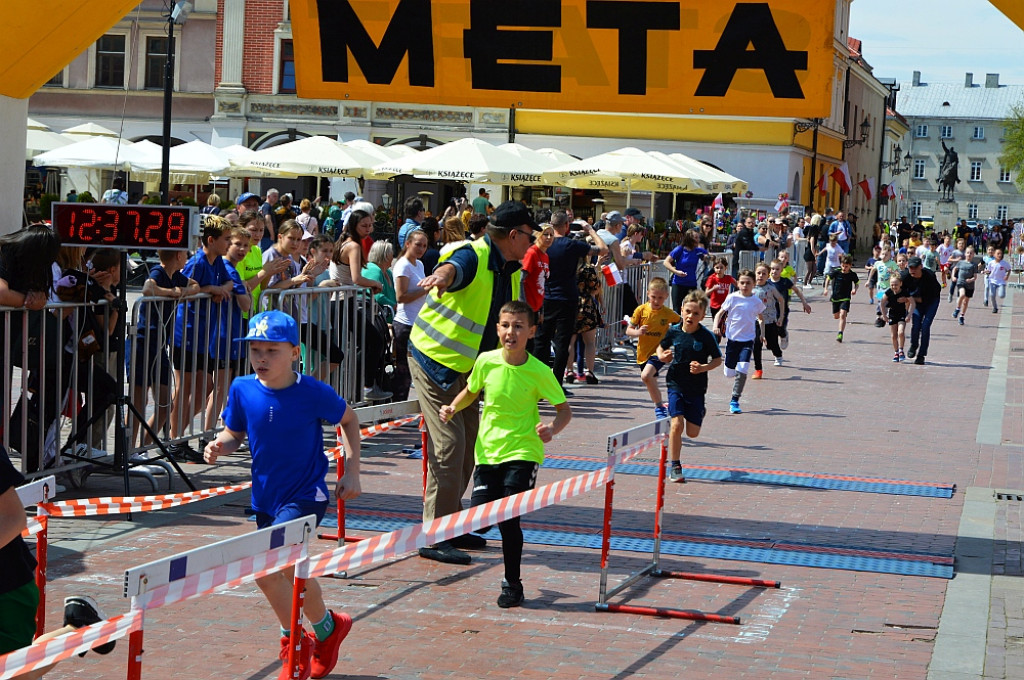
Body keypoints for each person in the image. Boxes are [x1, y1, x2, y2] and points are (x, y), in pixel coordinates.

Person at [203, 311, 361, 680]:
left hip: (305, 496)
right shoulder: (242, 388)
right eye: (255, 350)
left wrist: (352, 470)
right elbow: (234, 433)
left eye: (271, 351)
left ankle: (295, 641)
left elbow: (349, 420)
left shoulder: (312, 392)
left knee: (264, 569)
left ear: (294, 352)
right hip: (265, 499)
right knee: (290, 572)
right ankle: (328, 629)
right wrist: (218, 446)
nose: (261, 358)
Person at [409, 200, 539, 565]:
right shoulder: (474, 254)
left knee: (469, 451)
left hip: (468, 372)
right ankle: (433, 536)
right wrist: (441, 277)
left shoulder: (511, 269)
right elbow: (454, 269)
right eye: (529, 236)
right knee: (449, 449)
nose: (532, 243)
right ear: (512, 235)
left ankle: (451, 526)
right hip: (434, 361)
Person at [438, 301, 570, 607]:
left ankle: (513, 584)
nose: (511, 332)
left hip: (524, 451)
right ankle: (486, 533)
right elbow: (472, 390)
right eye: (506, 325)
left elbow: (564, 410)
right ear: (498, 329)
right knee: (481, 522)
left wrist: (552, 428)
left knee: (509, 519)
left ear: (531, 332)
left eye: (519, 326)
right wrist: (452, 407)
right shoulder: (486, 361)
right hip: (488, 451)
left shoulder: (540, 371)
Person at [0, 447, 120, 677]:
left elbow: (13, 517)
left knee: (14, 674)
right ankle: (79, 625)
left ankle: (78, 628)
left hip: (6, 588)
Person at [168, 217, 234, 462]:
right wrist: (211, 290)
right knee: (184, 388)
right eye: (225, 239)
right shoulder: (197, 262)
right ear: (211, 240)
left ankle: (178, 435)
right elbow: (186, 287)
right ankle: (175, 441)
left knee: (204, 386)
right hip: (185, 333)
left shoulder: (217, 262)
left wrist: (219, 288)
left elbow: (228, 281)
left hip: (203, 336)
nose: (228, 243)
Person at [129, 249, 199, 448]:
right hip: (143, 343)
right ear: (178, 256)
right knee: (138, 403)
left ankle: (142, 447)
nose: (187, 257)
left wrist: (182, 291)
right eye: (185, 254)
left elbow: (195, 286)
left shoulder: (176, 275)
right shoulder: (158, 272)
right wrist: (172, 293)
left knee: (165, 404)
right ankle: (128, 449)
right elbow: (147, 289)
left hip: (160, 346)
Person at [532, 212, 607, 392]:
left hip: (545, 297)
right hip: (567, 298)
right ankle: (556, 385)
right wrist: (591, 230)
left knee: (541, 343)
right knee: (562, 344)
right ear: (567, 225)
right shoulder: (572, 245)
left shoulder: (543, 244)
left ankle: (536, 383)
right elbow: (602, 249)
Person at [655, 290, 722, 483]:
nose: (690, 316)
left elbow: (717, 359)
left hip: (697, 387)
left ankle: (700, 412)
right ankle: (675, 465)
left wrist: (703, 367)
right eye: (687, 311)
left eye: (695, 313)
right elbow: (661, 347)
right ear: (682, 311)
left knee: (692, 433)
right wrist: (662, 356)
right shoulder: (673, 331)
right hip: (675, 383)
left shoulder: (706, 336)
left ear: (702, 316)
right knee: (676, 425)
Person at [626, 278, 680, 419]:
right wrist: (637, 332)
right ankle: (663, 404)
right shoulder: (641, 310)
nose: (656, 301)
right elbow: (628, 330)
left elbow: (682, 322)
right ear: (648, 294)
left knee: (646, 376)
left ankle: (659, 408)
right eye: (653, 297)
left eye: (660, 298)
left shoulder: (668, 313)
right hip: (643, 353)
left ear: (666, 297)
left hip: (659, 351)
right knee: (651, 382)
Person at [713, 269, 764, 414]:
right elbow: (719, 314)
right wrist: (715, 326)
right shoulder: (732, 298)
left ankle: (734, 400)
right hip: (732, 340)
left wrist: (763, 334)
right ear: (738, 284)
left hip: (748, 341)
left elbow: (761, 318)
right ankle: (733, 372)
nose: (745, 285)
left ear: (754, 284)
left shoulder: (756, 301)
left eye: (748, 283)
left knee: (743, 369)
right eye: (742, 282)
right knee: (729, 373)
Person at [392, 230, 430, 401]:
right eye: (418, 244)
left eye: (424, 245)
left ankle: (401, 408)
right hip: (405, 324)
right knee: (403, 369)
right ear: (408, 244)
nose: (421, 249)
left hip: (418, 323)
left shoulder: (419, 265)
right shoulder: (403, 265)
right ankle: (395, 408)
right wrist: (425, 289)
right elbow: (401, 296)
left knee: (414, 368)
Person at [566, 255, 604, 385]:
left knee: (570, 341)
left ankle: (569, 370)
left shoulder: (567, 267)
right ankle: (590, 371)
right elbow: (596, 288)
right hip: (586, 305)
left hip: (570, 304)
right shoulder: (588, 269)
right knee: (590, 342)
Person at [902, 256, 941, 365]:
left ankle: (921, 355)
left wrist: (910, 298)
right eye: (910, 268)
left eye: (915, 268)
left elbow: (935, 293)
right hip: (917, 303)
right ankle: (914, 346)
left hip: (931, 301)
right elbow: (894, 290)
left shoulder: (929, 276)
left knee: (925, 326)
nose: (912, 270)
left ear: (921, 267)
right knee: (916, 325)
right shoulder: (905, 276)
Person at [752, 263, 787, 376]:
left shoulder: (771, 288)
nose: (761, 276)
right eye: (758, 273)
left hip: (770, 321)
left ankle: (778, 354)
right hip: (756, 321)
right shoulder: (751, 288)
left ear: (768, 276)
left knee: (771, 344)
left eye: (764, 273)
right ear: (754, 274)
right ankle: (758, 369)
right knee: (757, 344)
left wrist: (781, 317)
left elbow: (781, 300)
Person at [664, 230, 709, 313]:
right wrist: (676, 271)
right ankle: (676, 325)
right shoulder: (679, 249)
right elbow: (666, 262)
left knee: (692, 308)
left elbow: (710, 256)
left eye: (698, 237)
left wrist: (707, 257)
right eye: (695, 237)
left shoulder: (697, 250)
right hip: (678, 283)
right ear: (689, 238)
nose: (698, 240)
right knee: (676, 309)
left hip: (691, 284)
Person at [520, 225, 554, 323]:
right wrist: (523, 306)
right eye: (545, 234)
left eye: (551, 235)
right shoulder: (531, 253)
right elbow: (521, 280)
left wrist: (541, 311)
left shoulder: (546, 256)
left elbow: (542, 284)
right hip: (527, 308)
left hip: (537, 307)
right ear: (538, 235)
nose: (549, 237)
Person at [825, 254, 859, 343]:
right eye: (843, 266)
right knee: (836, 316)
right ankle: (841, 314)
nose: (844, 268)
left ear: (850, 266)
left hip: (846, 298)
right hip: (836, 297)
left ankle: (840, 333)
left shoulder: (852, 274)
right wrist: (825, 289)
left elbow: (857, 283)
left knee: (842, 315)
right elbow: (828, 278)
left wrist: (855, 289)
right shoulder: (836, 271)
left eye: (846, 266)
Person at [881, 274, 911, 362]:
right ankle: (896, 352)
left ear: (900, 284)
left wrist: (909, 314)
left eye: (896, 285)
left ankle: (901, 350)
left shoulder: (904, 292)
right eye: (892, 284)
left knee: (901, 332)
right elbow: (882, 303)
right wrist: (884, 315)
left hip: (902, 314)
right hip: (892, 314)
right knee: (894, 335)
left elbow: (912, 302)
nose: (894, 287)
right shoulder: (888, 292)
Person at [952, 245, 979, 326]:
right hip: (961, 282)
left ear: (973, 254)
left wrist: (971, 280)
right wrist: (953, 276)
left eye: (971, 253)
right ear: (965, 254)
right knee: (962, 294)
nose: (969, 255)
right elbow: (955, 269)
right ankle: (957, 309)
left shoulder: (974, 265)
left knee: (966, 301)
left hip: (970, 285)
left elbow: (975, 276)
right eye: (967, 253)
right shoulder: (961, 262)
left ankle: (962, 316)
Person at [704, 257, 735, 326]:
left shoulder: (728, 278)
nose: (719, 270)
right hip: (714, 306)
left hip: (725, 305)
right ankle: (718, 335)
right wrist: (713, 289)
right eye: (717, 268)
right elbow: (706, 293)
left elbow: (738, 284)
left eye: (721, 268)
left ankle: (723, 332)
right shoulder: (712, 278)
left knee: (722, 323)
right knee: (717, 324)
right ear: (714, 268)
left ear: (725, 268)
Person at [986, 248, 1011, 314]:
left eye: (1001, 254)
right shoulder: (991, 263)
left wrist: (1007, 275)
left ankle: (1002, 291)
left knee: (1001, 295)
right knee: (992, 295)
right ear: (994, 254)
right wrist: (986, 272)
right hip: (992, 281)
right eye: (998, 254)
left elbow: (1009, 269)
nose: (999, 255)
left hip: (1001, 282)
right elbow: (988, 271)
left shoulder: (1004, 263)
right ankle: (995, 307)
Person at [802, 214, 821, 288]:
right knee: (809, 269)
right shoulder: (813, 231)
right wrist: (815, 255)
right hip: (809, 252)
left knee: (814, 269)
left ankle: (809, 282)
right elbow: (812, 244)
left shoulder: (812, 229)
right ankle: (805, 283)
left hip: (811, 251)